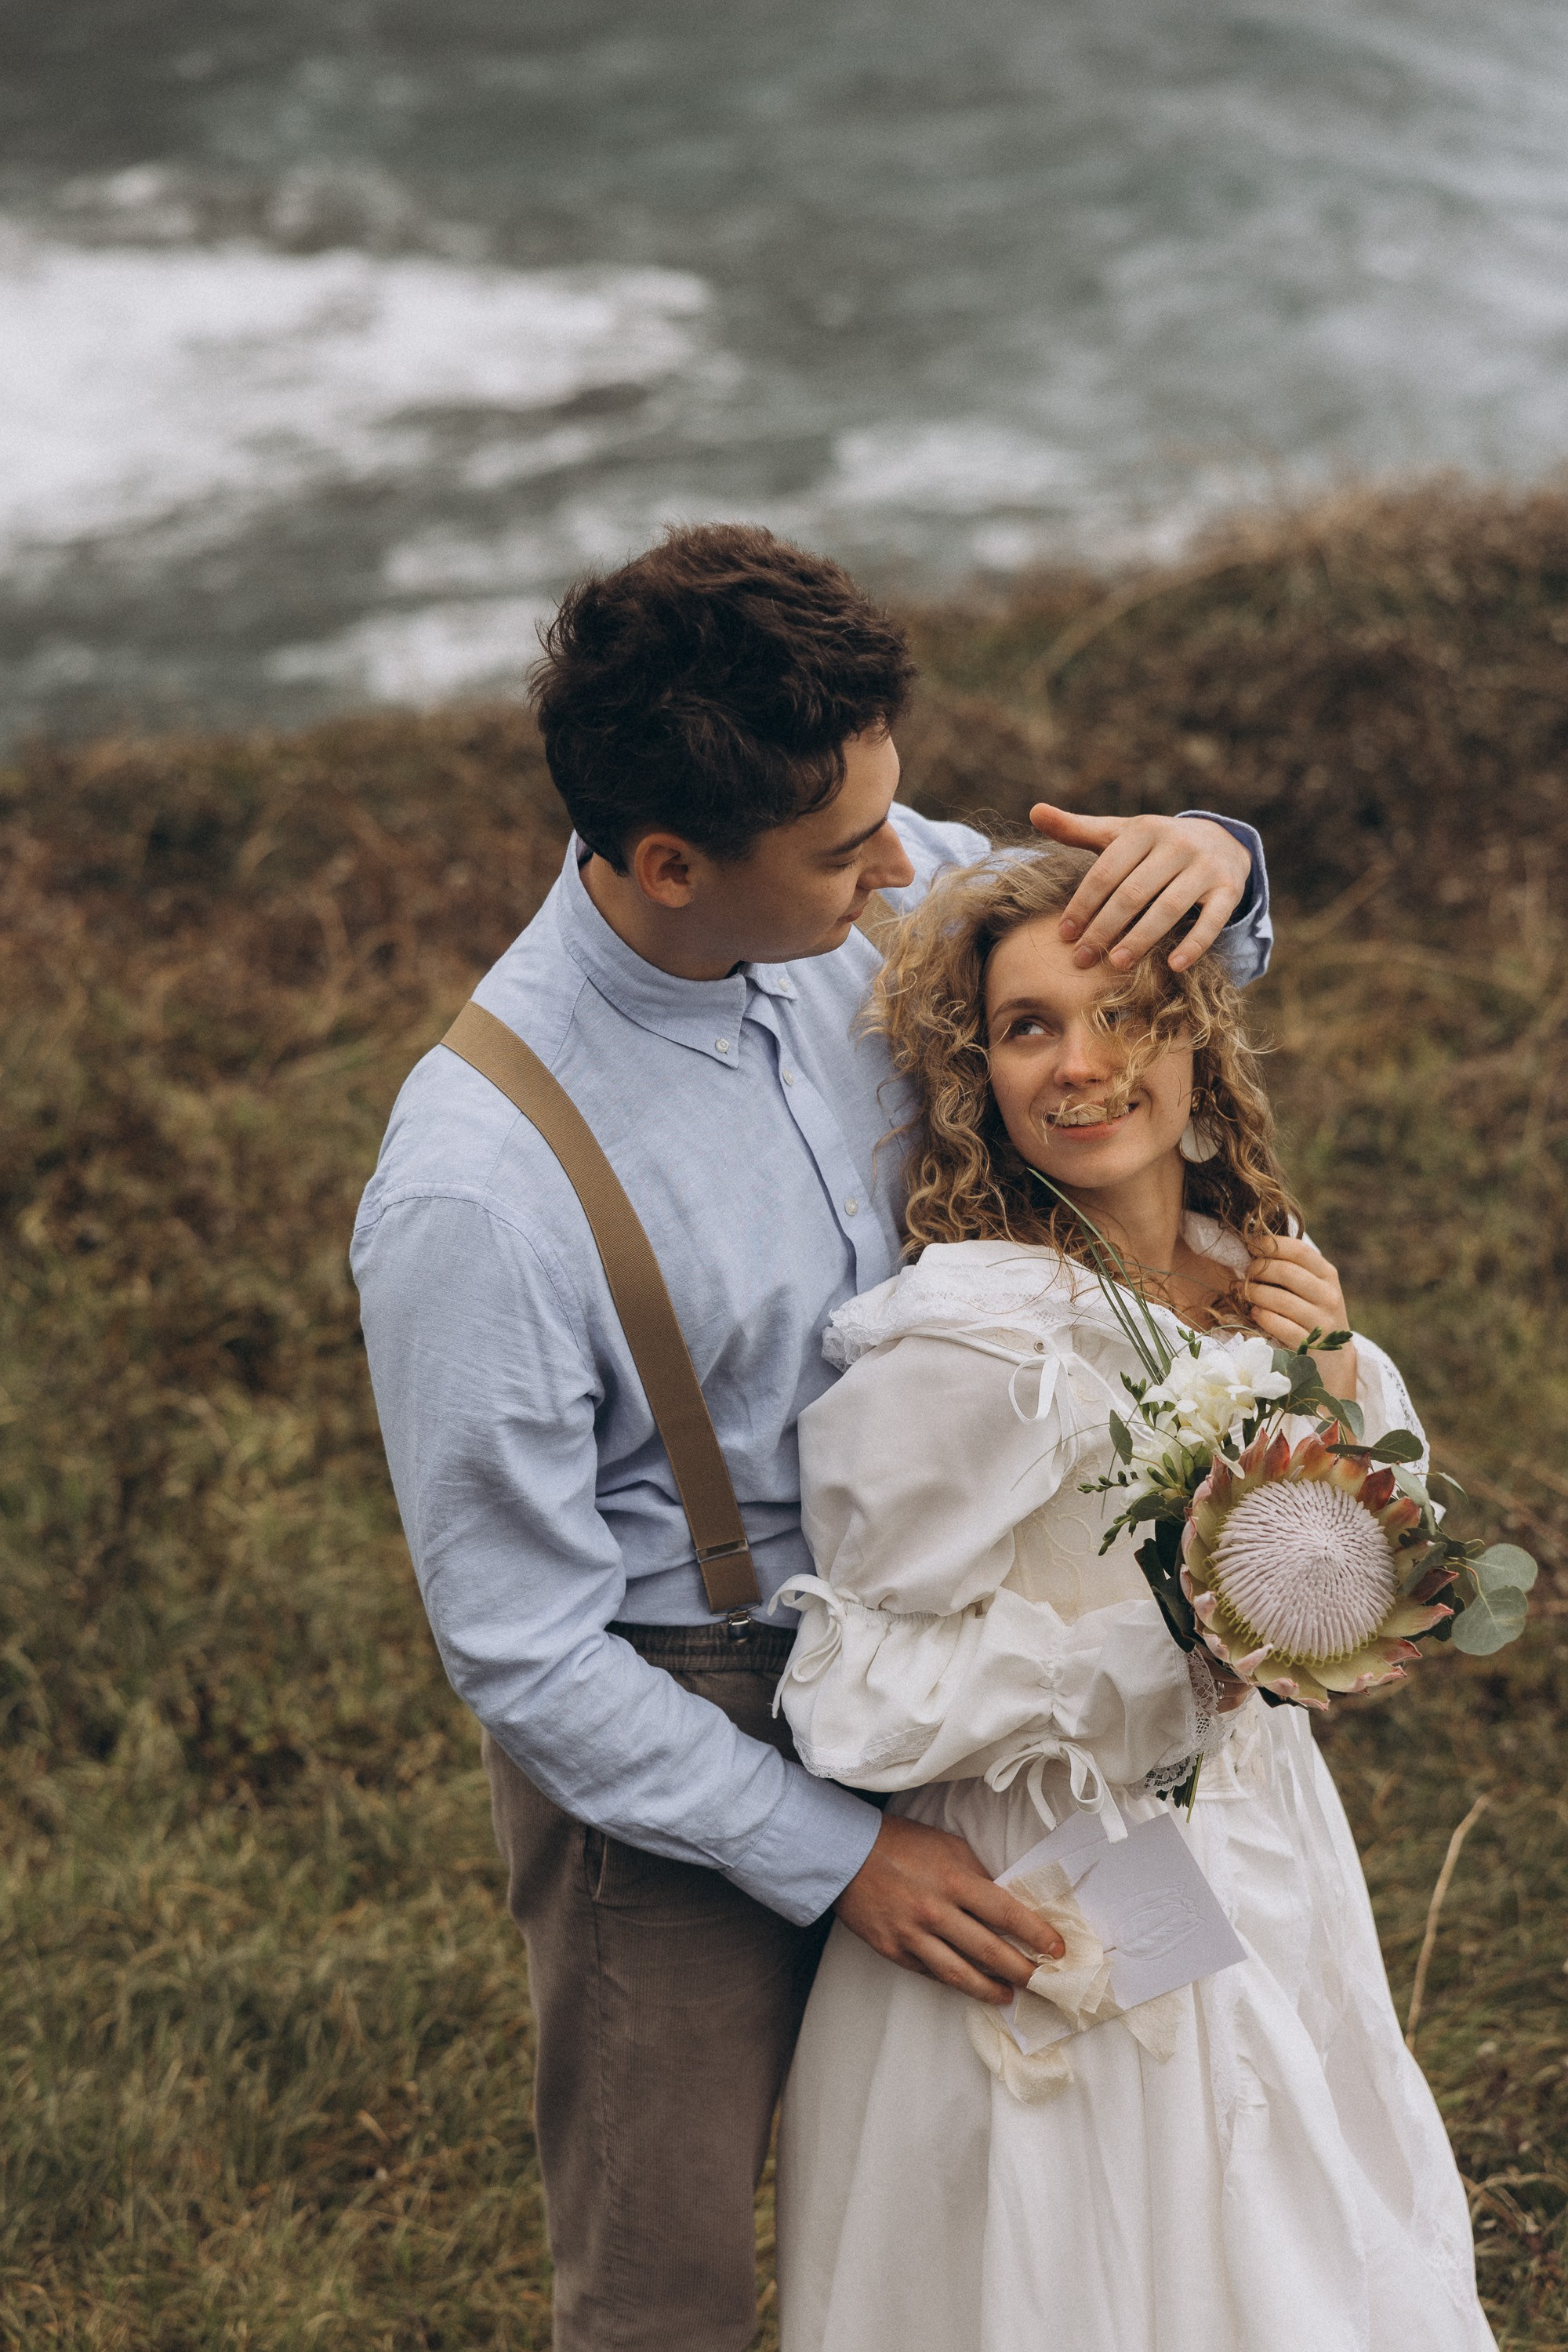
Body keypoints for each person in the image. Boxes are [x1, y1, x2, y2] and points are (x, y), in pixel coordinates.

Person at [351, 524, 1272, 2352]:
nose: (901, 873)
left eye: (892, 823)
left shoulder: (888, 883)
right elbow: (519, 1643)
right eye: (848, 850)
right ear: (670, 862)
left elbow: (1118, 973)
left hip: (979, 1661)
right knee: (667, 2290)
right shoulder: (474, 1189)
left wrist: (1220, 862)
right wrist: (830, 1855)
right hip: (684, 1723)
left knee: (1047, 2167)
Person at [771, 844, 1494, 2352]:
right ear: (981, 1075)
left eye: (1128, 1015)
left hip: (1268, 1854)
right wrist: (1140, 1665)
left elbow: (1382, 1569)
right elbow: (846, 1682)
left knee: (1296, 2244)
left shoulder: (1264, 1278)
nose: (1083, 1065)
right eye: (1030, 1027)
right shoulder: (979, 1342)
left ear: (1200, 1037)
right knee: (1102, 2279)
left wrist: (1339, 1380)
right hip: (1066, 1881)